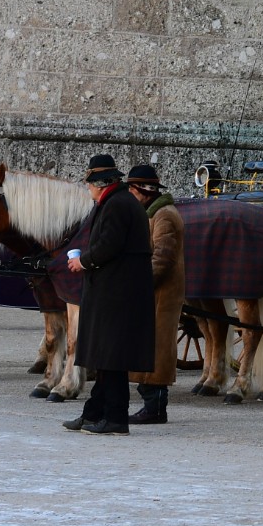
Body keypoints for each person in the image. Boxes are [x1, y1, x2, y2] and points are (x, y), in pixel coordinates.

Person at [60, 155, 155, 436]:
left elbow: (108, 245)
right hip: (115, 290)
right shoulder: (118, 201)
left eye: (89, 184)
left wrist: (83, 261)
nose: (88, 189)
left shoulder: (117, 205)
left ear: (99, 184)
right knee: (106, 358)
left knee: (112, 358)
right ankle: (94, 413)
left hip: (117, 292)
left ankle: (115, 418)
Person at [126, 164, 184, 426]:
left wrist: (141, 285)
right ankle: (152, 405)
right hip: (154, 293)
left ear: (142, 191)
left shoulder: (163, 216)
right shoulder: (155, 212)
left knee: (157, 350)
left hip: (160, 295)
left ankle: (155, 408)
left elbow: (162, 258)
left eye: (132, 189)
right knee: (149, 348)